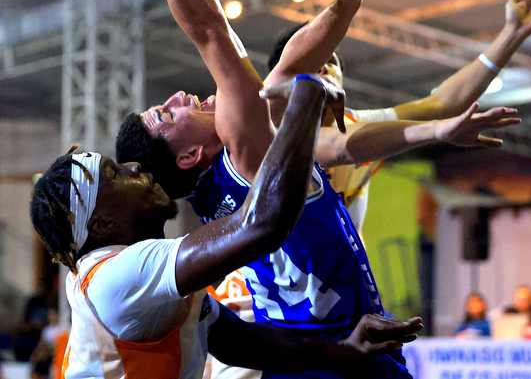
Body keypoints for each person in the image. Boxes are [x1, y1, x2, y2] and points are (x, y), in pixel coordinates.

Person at [66, 0, 521, 379]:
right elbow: (209, 27)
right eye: (167, 115)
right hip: (345, 364)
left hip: (304, 359)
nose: (177, 96)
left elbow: (291, 78)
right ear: (190, 154)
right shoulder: (245, 152)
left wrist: (342, 10)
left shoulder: (224, 185)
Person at [31, 76, 423, 379]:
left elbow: (244, 344)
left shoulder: (140, 278)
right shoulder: (117, 277)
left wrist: (345, 349)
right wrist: (304, 100)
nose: (134, 167)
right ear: (102, 223)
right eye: (115, 174)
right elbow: (261, 224)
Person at [267, 0, 531, 231]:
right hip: (267, 276)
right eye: (315, 61)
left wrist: (510, 34)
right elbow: (339, 147)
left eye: (332, 61)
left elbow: (443, 103)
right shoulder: (268, 128)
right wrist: (435, 130)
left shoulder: (356, 123)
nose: (325, 66)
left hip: (335, 274)